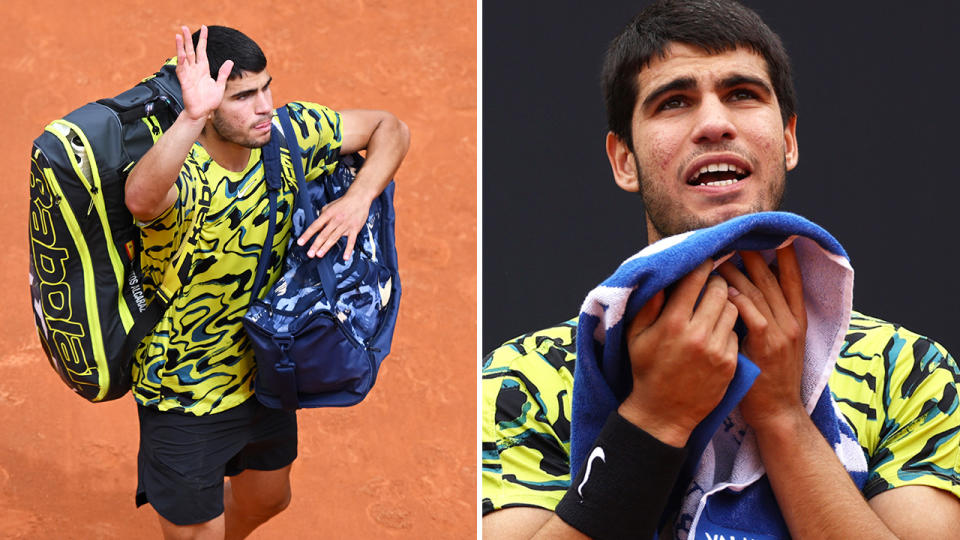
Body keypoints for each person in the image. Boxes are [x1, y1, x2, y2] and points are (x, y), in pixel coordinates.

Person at [481, 1, 960, 538]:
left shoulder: (907, 369)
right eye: (674, 102)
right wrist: (656, 416)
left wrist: (781, 413)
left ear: (787, 140)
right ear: (624, 161)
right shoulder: (523, 378)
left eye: (742, 94)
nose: (713, 124)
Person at [123, 25, 409, 539]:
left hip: (263, 372)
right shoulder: (185, 177)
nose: (263, 107)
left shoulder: (288, 135)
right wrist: (191, 116)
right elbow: (142, 199)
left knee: (269, 497)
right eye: (242, 97)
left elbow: (389, 127)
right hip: (183, 392)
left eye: (265, 88)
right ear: (207, 106)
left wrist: (358, 197)